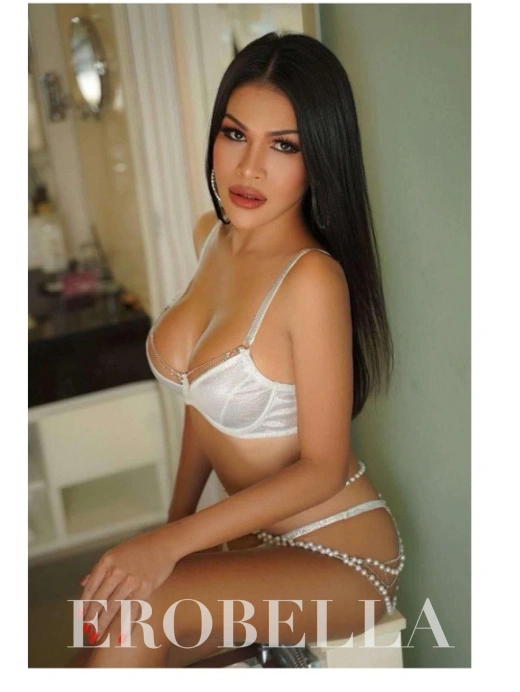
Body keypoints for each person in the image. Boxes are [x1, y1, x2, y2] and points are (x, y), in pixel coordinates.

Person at [73, 31, 404, 668]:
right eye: (234, 134)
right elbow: (203, 404)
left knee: (140, 610)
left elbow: (323, 468)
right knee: (111, 615)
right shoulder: (212, 239)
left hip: (340, 554)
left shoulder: (311, 280)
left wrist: (171, 547)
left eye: (284, 145)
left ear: (319, 158)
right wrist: (170, 531)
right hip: (256, 539)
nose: (249, 168)